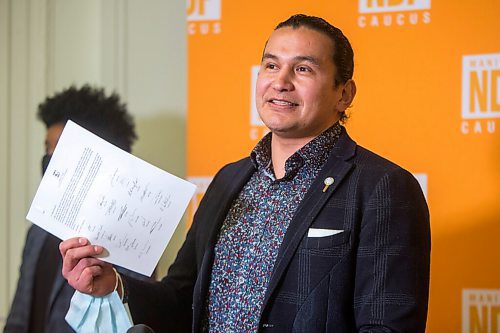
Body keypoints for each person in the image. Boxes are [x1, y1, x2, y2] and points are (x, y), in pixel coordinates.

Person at [59, 14, 431, 332]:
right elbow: (180, 298)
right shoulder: (229, 179)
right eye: (271, 65)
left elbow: (385, 326)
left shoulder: (384, 187)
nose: (281, 80)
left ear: (344, 94)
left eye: (303, 68)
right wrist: (115, 285)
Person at [4, 85, 151, 333]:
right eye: (47, 148)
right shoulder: (37, 233)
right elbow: (19, 316)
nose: (50, 158)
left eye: (59, 148)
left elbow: (130, 316)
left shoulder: (125, 242)